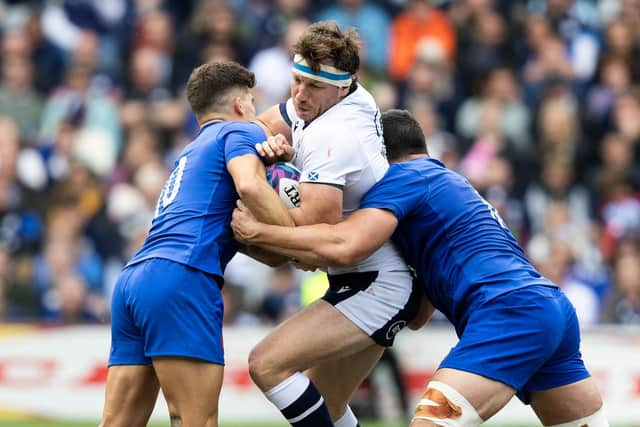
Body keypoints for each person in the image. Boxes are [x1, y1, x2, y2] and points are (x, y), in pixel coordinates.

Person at [231, 110, 609, 427]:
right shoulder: (450, 184)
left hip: (507, 312)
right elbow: (418, 317)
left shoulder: (404, 179)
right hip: (548, 307)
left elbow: (346, 246)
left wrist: (261, 231)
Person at [99, 61, 295, 427]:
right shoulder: (239, 132)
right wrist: (297, 238)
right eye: (251, 102)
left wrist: (282, 246)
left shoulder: (188, 154)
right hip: (184, 277)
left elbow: (253, 241)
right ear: (240, 104)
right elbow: (251, 187)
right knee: (196, 421)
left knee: (118, 423)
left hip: (135, 279)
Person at [249, 21, 421, 427]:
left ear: (341, 87)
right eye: (296, 80)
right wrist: (264, 144)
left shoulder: (335, 135)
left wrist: (263, 200)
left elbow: (316, 231)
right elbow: (263, 123)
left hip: (376, 282)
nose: (300, 95)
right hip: (373, 277)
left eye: (312, 87)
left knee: (265, 364)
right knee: (328, 407)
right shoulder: (345, 98)